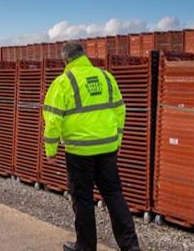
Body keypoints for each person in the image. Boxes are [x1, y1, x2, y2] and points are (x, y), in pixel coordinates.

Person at [42, 41, 141, 251]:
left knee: (83, 198)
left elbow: (52, 120)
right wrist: (117, 141)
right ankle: (131, 246)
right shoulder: (106, 77)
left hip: (80, 151)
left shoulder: (63, 82)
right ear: (84, 55)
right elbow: (120, 111)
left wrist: (51, 151)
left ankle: (85, 247)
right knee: (114, 194)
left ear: (66, 60)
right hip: (107, 149)